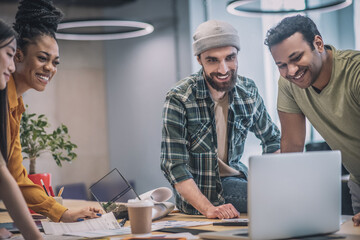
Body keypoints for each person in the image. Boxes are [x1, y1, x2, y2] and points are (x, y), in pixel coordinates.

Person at [160, 20, 281, 219]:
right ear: (199, 60)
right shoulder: (179, 98)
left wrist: (269, 180)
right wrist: (208, 208)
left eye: (230, 58)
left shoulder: (247, 91)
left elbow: (272, 139)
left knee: (289, 192)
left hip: (239, 181)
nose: (223, 69)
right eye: (212, 60)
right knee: (279, 200)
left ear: (237, 55)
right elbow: (175, 166)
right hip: (204, 193)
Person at [7, 0, 102, 222]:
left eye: (55, 62)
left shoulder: (15, 105)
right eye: (42, 58)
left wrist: (62, 213)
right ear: (18, 55)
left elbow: (16, 176)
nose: (50, 68)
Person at [264, 15, 360, 226]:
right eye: (281, 65)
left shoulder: (355, 73)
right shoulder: (288, 84)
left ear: (318, 43)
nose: (291, 71)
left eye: (297, 57)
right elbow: (292, 145)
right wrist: (286, 201)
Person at [0, 19, 43, 240]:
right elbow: (6, 178)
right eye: (8, 54)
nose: (11, 66)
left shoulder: (14, 107)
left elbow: (8, 175)